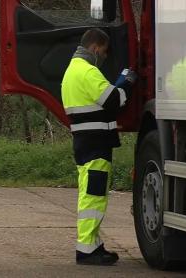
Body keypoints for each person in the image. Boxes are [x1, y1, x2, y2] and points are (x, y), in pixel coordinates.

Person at [61, 28, 136, 265]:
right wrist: (126, 82)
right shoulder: (88, 71)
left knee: (88, 195)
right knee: (94, 196)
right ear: (95, 48)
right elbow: (115, 101)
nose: (103, 57)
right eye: (103, 52)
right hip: (96, 144)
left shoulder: (71, 71)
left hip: (84, 142)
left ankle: (91, 244)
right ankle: (87, 250)